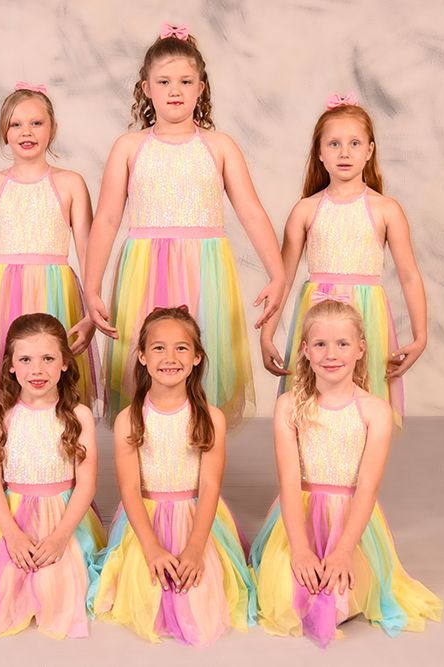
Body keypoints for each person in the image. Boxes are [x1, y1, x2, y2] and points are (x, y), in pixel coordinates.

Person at [83, 23, 284, 426]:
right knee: (149, 364)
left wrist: (277, 273)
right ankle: (150, 468)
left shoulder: (220, 146)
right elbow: (105, 219)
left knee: (200, 363)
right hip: (145, 270)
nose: (175, 91)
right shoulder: (129, 147)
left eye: (185, 81)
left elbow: (251, 211)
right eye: (164, 81)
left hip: (204, 270)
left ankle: (197, 466)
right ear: (145, 89)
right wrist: (92, 286)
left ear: (201, 88)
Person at [251, 299, 441, 647]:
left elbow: (368, 486)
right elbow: (290, 481)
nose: (331, 354)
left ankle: (345, 563)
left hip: (351, 523)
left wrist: (343, 550)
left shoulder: (375, 411)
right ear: (305, 350)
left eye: (342, 344)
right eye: (320, 344)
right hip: (298, 518)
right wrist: (300, 548)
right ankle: (293, 560)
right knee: (285, 596)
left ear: (360, 349)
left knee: (338, 600)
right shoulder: (288, 406)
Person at [91, 306, 255, 646]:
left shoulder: (210, 418)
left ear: (197, 358)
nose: (170, 357)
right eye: (158, 348)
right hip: (144, 517)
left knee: (201, 591)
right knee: (145, 587)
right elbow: (130, 488)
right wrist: (151, 547)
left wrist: (195, 547)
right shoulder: (129, 420)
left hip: (196, 516)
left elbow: (209, 484)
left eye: (181, 348)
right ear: (142, 356)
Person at [260, 93, 427, 426]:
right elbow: (284, 277)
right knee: (312, 402)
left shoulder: (386, 209)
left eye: (354, 143)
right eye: (334, 144)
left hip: (366, 317)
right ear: (319, 153)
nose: (345, 152)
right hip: (316, 316)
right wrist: (267, 335)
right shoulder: (306, 210)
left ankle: (356, 474)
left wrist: (421, 336)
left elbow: (409, 276)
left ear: (370, 150)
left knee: (364, 402)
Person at [0, 84, 98, 434]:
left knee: (57, 382)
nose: (26, 132)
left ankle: (62, 461)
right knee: (9, 385)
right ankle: (12, 467)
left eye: (36, 123)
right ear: (4, 132)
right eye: (16, 124)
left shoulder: (70, 183)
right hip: (5, 296)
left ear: (52, 128)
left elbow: (89, 251)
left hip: (58, 294)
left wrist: (92, 312)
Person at [0, 313, 105, 639]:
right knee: (4, 584)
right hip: (12, 517)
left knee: (59, 585)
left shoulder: (78, 416)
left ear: (65, 363)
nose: (36, 370)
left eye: (48, 359)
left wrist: (60, 536)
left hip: (64, 518)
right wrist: (12, 534)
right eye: (25, 359)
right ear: (10, 365)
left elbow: (87, 483)